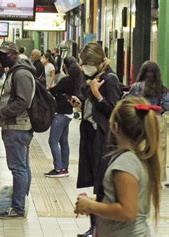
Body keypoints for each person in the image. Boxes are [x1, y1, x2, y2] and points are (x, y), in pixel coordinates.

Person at [74, 96, 161, 237]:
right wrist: (96, 203)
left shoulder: (125, 164)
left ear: (114, 126)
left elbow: (128, 211)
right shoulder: (137, 158)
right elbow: (124, 200)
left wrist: (91, 206)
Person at [70, 42, 121, 236]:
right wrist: (81, 103)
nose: (83, 66)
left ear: (98, 61)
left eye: (86, 62)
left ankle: (98, 228)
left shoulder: (111, 79)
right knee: (95, 182)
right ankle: (95, 227)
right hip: (91, 136)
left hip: (105, 139)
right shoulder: (94, 77)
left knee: (102, 184)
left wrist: (97, 94)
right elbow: (94, 108)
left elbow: (115, 111)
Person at [0, 41, 35, 218]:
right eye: (0, 55)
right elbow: (14, 98)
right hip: (15, 126)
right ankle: (21, 204)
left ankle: (18, 208)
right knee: (22, 167)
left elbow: (23, 102)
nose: (2, 58)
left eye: (5, 55)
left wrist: (0, 114)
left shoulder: (21, 74)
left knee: (18, 168)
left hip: (17, 127)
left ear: (14, 54)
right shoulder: (16, 72)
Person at [126, 61, 168, 187]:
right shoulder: (163, 89)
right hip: (157, 120)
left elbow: (127, 101)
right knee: (159, 150)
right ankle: (156, 179)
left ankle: (141, 176)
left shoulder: (136, 87)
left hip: (140, 119)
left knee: (140, 148)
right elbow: (167, 105)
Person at [45, 57, 81, 178]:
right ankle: (64, 168)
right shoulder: (77, 80)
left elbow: (54, 91)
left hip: (60, 113)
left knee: (53, 141)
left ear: (65, 66)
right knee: (63, 141)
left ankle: (58, 169)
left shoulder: (66, 80)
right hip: (69, 113)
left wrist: (48, 89)